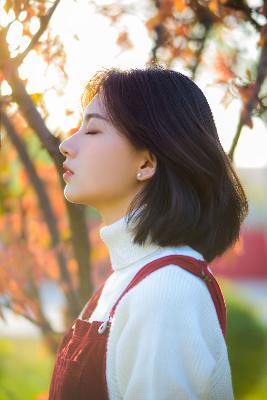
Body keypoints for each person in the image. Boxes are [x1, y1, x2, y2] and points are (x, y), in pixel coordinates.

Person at [50, 65, 248, 399]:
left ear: (146, 163)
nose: (66, 145)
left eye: (93, 130)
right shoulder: (123, 282)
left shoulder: (165, 291)